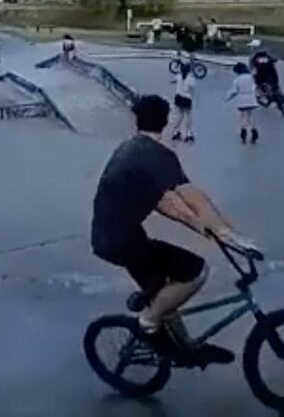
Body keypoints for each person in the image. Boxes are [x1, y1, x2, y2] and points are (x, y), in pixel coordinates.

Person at [91, 95, 252, 365]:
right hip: (125, 242)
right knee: (195, 271)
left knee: (164, 292)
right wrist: (225, 231)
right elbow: (191, 195)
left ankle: (184, 349)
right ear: (166, 121)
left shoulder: (131, 149)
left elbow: (163, 202)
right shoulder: (156, 154)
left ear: (137, 120)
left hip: (112, 239)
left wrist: (199, 226)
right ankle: (148, 322)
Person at [226, 62, 259, 144]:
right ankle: (254, 130)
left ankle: (243, 132)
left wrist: (227, 98)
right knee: (250, 116)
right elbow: (255, 88)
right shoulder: (251, 77)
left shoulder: (237, 80)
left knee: (242, 116)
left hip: (242, 101)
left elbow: (234, 91)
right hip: (251, 99)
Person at [170, 63, 197, 143]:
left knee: (179, 116)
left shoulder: (178, 77)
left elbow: (174, 80)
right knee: (188, 117)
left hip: (178, 98)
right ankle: (188, 134)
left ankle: (176, 132)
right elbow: (193, 88)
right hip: (187, 99)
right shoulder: (191, 79)